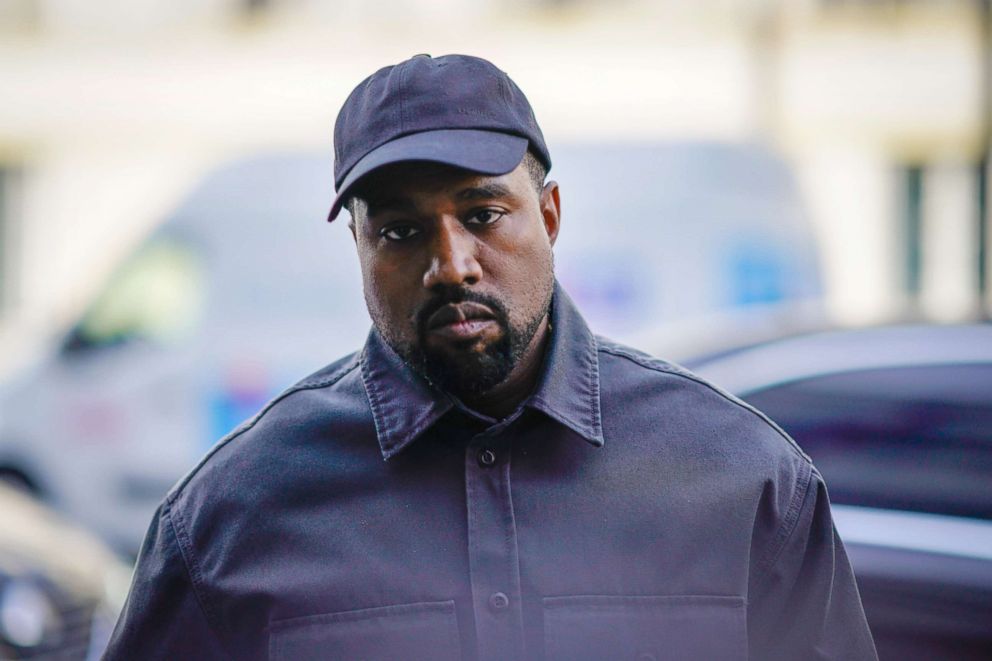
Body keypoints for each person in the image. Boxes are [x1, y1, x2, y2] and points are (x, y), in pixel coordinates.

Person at [104, 54, 877, 660]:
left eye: (482, 213)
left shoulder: (744, 481)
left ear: (549, 215)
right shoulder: (232, 515)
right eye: (402, 231)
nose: (453, 264)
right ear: (358, 247)